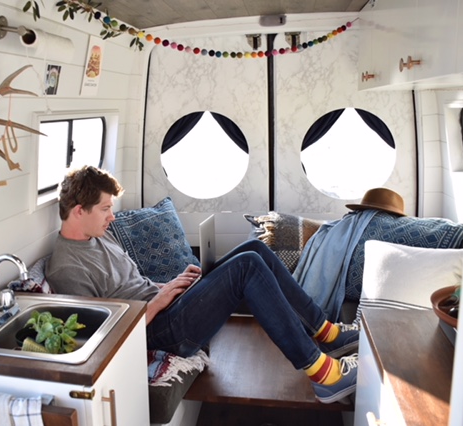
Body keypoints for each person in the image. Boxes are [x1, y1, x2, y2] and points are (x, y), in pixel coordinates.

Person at [46, 165, 359, 404]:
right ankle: (323, 374)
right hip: (160, 333)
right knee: (247, 267)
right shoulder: (67, 267)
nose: (112, 217)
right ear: (79, 211)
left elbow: (131, 286)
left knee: (255, 249)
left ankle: (326, 333)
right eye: (105, 209)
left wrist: (167, 286)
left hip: (163, 307)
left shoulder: (98, 236)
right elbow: (102, 340)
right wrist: (157, 302)